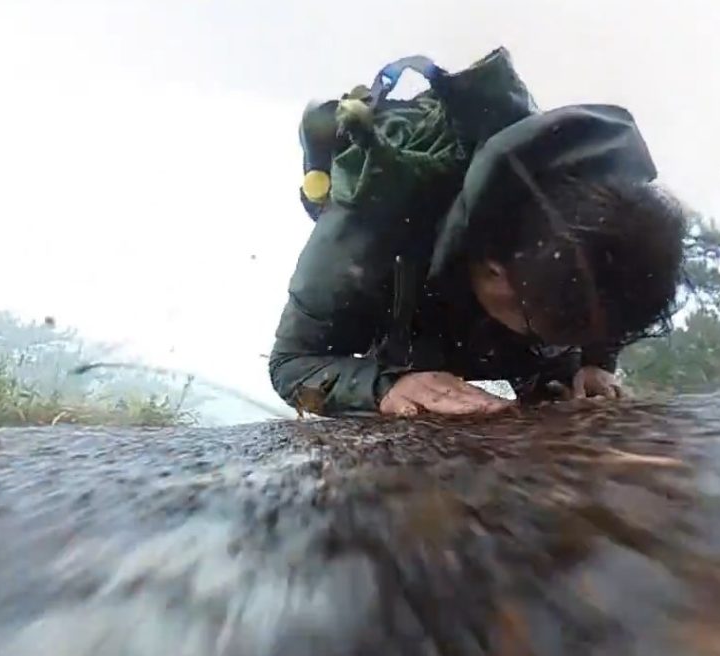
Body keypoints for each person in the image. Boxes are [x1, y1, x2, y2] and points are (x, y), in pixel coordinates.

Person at [268, 57, 686, 419]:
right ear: (493, 269)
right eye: (553, 330)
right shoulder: (366, 230)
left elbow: (598, 308)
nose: (573, 343)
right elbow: (292, 363)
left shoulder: (597, 257)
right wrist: (382, 388)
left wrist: (593, 365)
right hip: (411, 307)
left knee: (557, 383)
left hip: (505, 312)